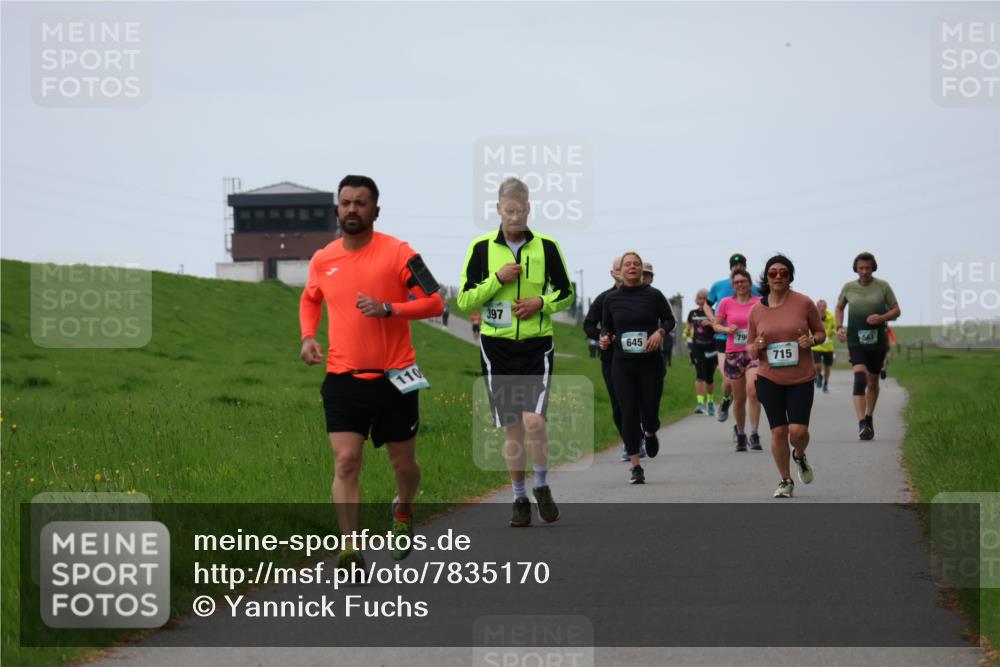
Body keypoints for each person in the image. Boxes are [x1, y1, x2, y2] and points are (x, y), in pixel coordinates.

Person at [299, 175, 444, 570]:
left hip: (397, 377)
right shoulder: (323, 259)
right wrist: (308, 336)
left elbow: (434, 303)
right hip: (343, 377)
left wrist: (389, 308)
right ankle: (351, 548)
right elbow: (310, 299)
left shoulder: (399, 253)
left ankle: (404, 509)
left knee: (404, 466)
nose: (352, 209)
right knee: (346, 461)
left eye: (360, 203)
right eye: (346, 202)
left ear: (375, 210)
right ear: (337, 209)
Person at [458, 177, 574, 526]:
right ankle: (519, 497)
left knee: (534, 421)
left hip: (537, 345)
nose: (515, 217)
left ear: (529, 209)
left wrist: (541, 302)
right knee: (513, 427)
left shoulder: (547, 247)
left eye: (521, 210)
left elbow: (566, 293)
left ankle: (541, 484)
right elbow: (465, 299)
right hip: (497, 348)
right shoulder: (481, 248)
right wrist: (497, 279)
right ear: (498, 209)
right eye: (509, 210)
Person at [747, 255, 825, 498]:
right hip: (769, 378)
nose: (778, 276)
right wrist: (756, 346)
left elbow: (820, 333)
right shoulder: (756, 310)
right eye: (773, 272)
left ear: (790, 276)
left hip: (801, 377)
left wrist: (811, 341)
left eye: (783, 272)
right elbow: (750, 347)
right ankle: (785, 480)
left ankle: (799, 455)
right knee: (778, 432)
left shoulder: (804, 303)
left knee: (798, 432)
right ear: (767, 277)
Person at [600, 251, 675, 484]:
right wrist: (605, 338)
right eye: (627, 264)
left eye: (636, 264)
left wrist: (659, 332)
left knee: (650, 413)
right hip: (622, 364)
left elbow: (669, 320)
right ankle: (635, 466)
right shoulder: (611, 299)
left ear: (641, 269)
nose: (632, 267)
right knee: (628, 412)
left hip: (650, 364)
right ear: (620, 271)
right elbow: (606, 327)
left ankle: (650, 432)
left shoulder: (654, 295)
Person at [583, 255, 646, 461]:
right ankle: (631, 443)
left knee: (639, 401)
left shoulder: (644, 295)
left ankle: (642, 434)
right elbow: (588, 325)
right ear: (613, 273)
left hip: (641, 358)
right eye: (619, 268)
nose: (624, 271)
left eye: (628, 266)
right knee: (620, 404)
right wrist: (603, 336)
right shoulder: (604, 298)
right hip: (612, 359)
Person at [835, 252, 901, 440]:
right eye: (861, 268)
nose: (864, 272)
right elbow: (839, 307)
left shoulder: (883, 286)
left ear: (873, 268)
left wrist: (882, 317)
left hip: (877, 341)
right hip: (855, 339)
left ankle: (869, 417)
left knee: (872, 382)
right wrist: (839, 327)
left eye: (868, 268)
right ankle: (862, 423)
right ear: (855, 269)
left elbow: (897, 310)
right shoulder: (849, 287)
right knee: (859, 378)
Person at [707, 253, 762, 425]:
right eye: (734, 265)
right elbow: (707, 304)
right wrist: (714, 320)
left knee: (750, 387)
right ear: (730, 268)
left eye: (741, 265)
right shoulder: (719, 286)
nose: (738, 267)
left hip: (749, 344)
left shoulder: (754, 289)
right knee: (727, 381)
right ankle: (725, 400)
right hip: (724, 339)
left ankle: (741, 426)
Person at [685, 289, 718, 414]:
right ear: (697, 300)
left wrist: (710, 323)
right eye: (700, 298)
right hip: (697, 347)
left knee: (709, 377)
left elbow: (719, 328)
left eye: (705, 298)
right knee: (699, 375)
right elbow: (687, 330)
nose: (702, 301)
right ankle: (699, 403)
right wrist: (688, 341)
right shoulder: (692, 313)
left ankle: (710, 402)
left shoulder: (714, 312)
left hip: (711, 347)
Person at [642, 262, 673, 372]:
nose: (643, 278)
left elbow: (671, 320)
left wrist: (660, 332)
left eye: (646, 275)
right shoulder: (623, 295)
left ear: (651, 279)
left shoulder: (658, 296)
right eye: (641, 274)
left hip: (652, 348)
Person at [811, 299, 837, 394]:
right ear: (816, 307)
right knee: (817, 366)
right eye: (820, 306)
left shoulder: (831, 316)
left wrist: (835, 332)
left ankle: (825, 384)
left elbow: (835, 328)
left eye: (824, 306)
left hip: (828, 346)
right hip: (816, 346)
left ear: (826, 307)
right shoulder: (813, 316)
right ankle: (819, 376)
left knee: (827, 367)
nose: (822, 308)